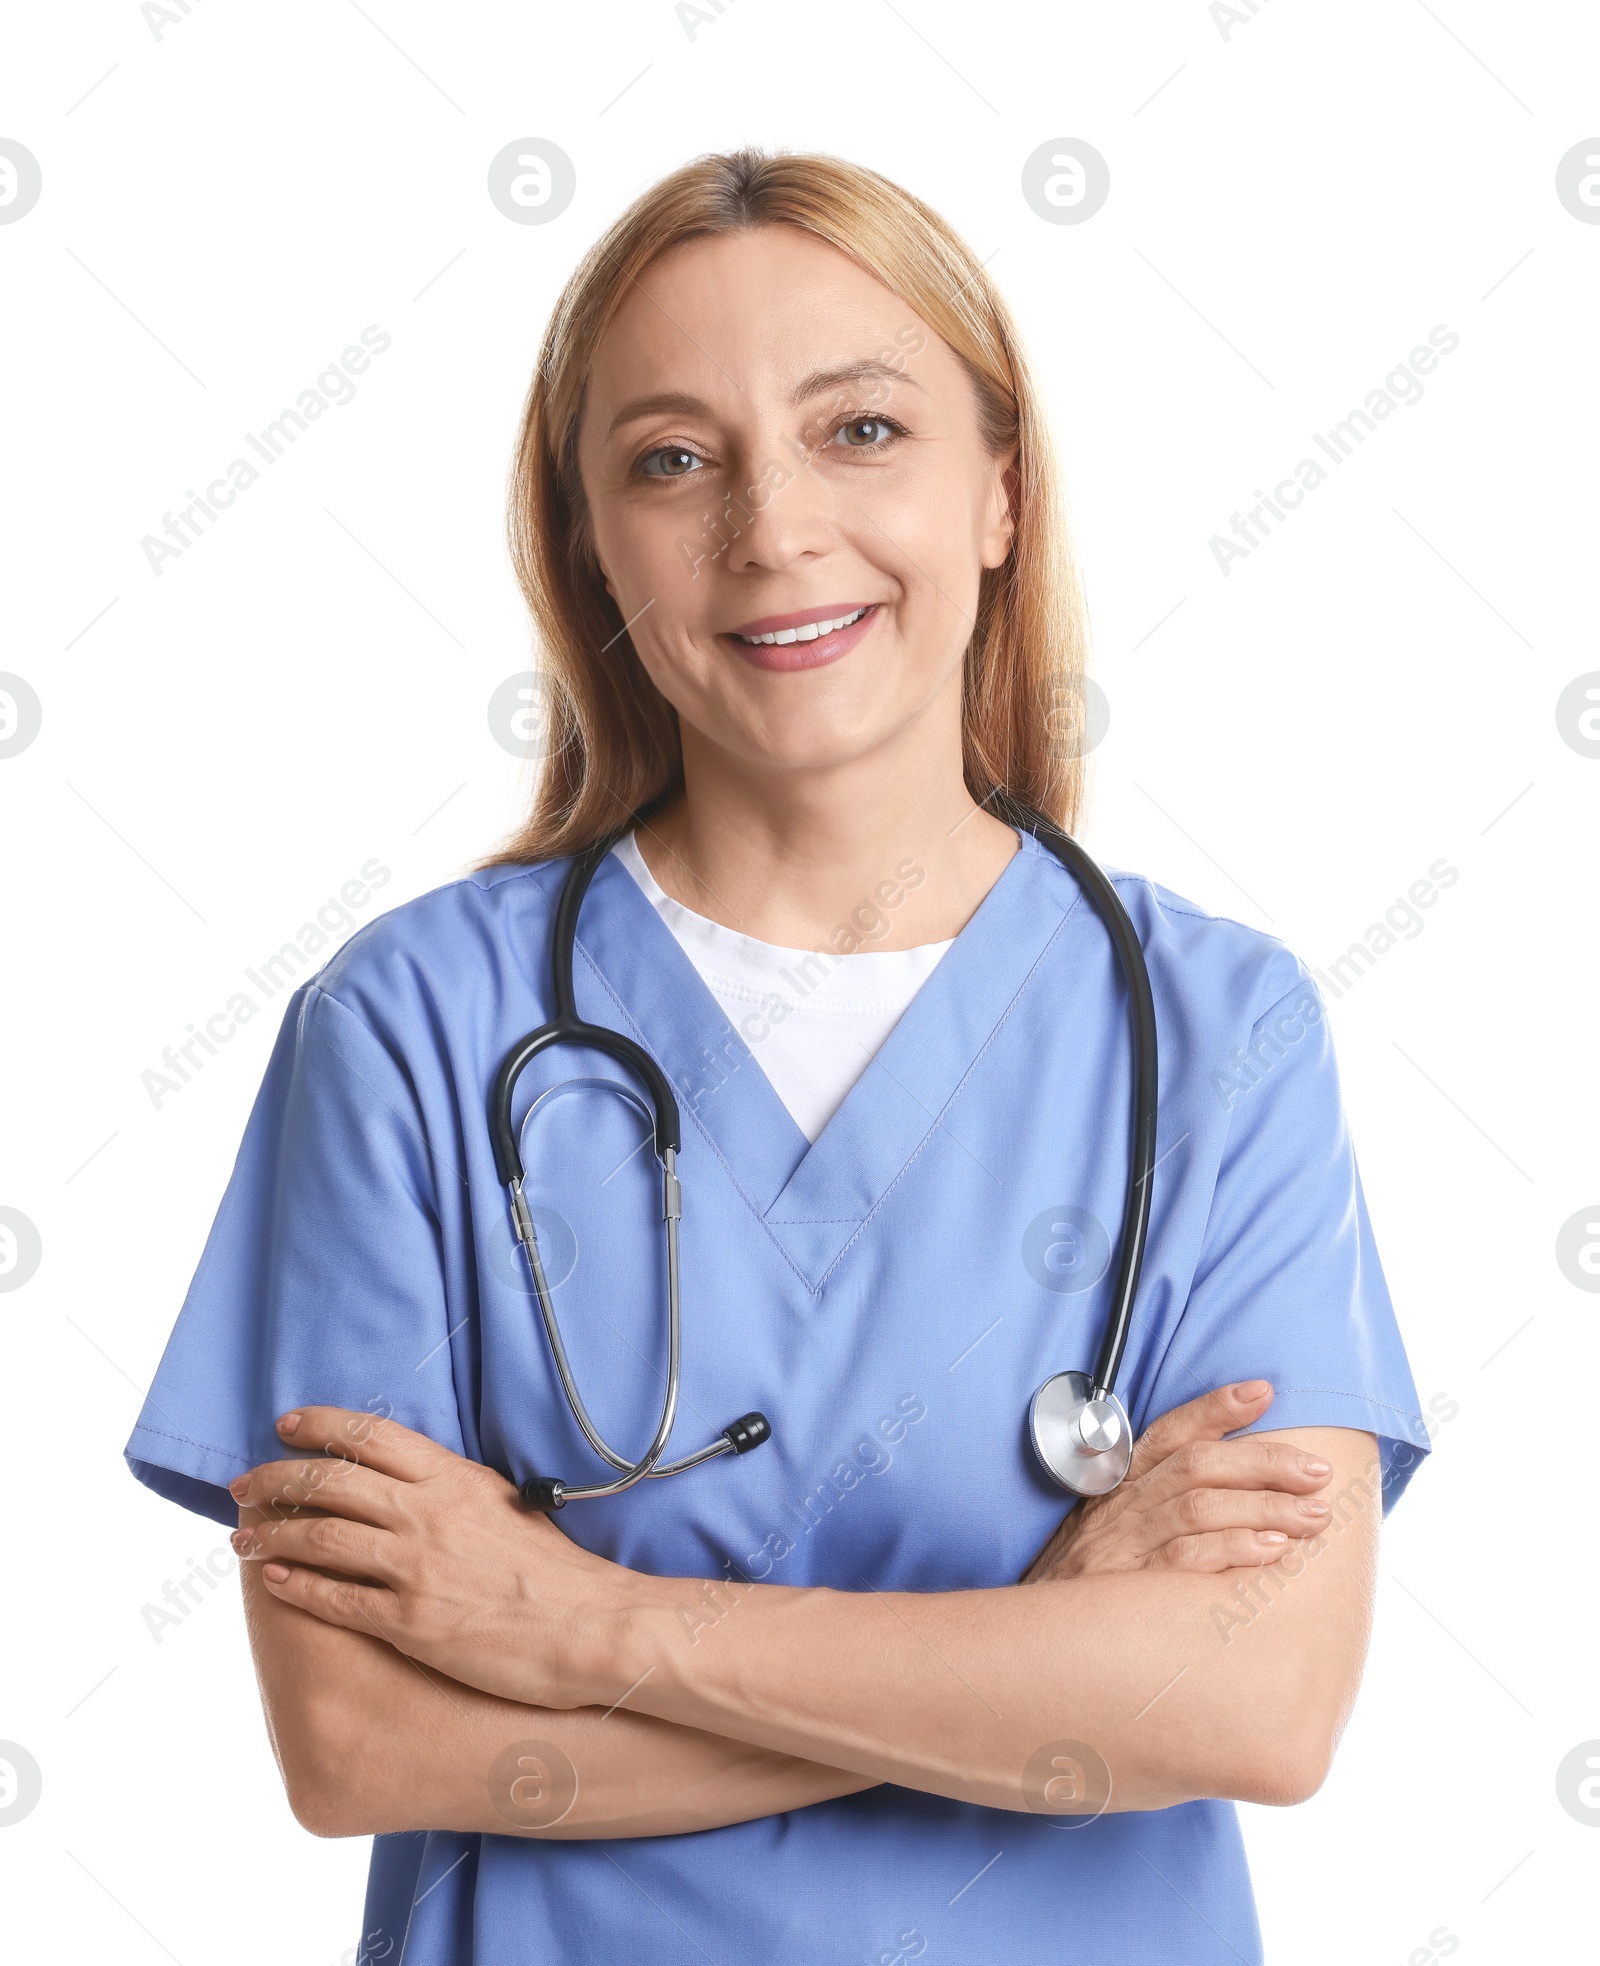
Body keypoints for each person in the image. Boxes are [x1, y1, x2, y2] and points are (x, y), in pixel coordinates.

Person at [124, 149, 1432, 1965]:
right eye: (672, 459)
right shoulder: (405, 1032)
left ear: (1002, 490)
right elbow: (360, 1741)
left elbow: (1255, 1708)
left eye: (862, 431)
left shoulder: (1219, 1033)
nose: (772, 528)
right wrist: (1032, 1668)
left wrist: (585, 1624)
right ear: (589, 544)